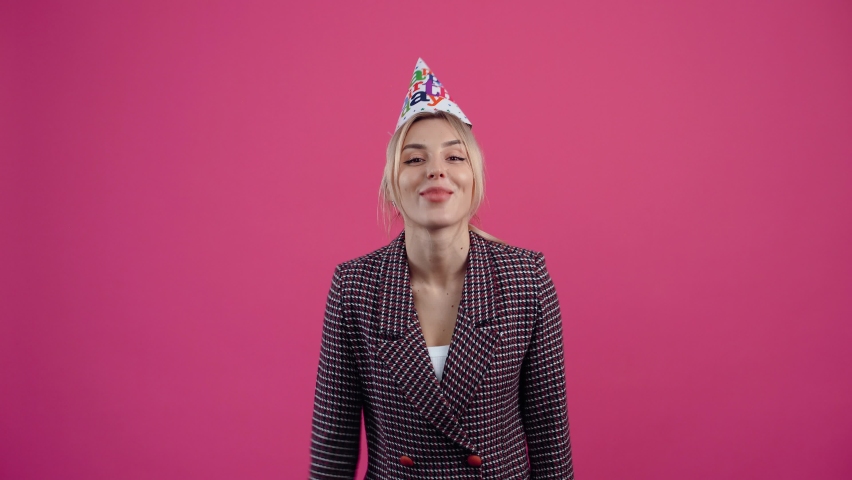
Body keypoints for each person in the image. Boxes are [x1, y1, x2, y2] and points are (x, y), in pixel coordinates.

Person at [309, 59, 574, 479]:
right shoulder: (354, 287)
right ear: (392, 186)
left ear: (475, 178)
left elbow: (550, 441)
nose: (436, 169)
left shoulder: (527, 279)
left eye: (454, 156)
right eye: (414, 160)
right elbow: (333, 448)